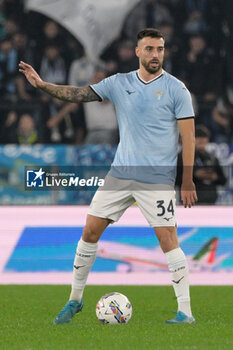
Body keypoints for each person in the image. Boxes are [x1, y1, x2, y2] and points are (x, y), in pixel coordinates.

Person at [19, 28, 197, 325]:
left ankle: (185, 312)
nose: (156, 55)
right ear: (138, 52)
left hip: (156, 177)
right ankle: (75, 300)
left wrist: (188, 179)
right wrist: (41, 85)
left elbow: (188, 138)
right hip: (120, 173)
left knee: (168, 239)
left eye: (160, 49)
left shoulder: (177, 89)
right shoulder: (119, 83)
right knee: (89, 232)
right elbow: (79, 94)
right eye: (150, 49)